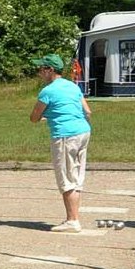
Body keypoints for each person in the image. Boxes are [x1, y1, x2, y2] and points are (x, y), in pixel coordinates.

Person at [29, 52, 92, 232]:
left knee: (66, 176)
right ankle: (74, 217)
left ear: (50, 70)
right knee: (76, 175)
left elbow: (34, 117)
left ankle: (72, 220)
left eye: (41, 69)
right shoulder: (72, 86)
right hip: (83, 132)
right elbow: (87, 111)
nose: (39, 72)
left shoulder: (47, 91)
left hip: (65, 135)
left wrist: (48, 117)